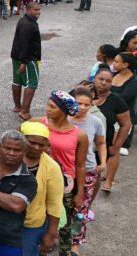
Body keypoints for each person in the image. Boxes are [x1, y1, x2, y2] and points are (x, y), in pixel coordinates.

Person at [29, 91, 88, 256]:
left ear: (64, 110)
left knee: (64, 223)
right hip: (38, 180)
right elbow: (15, 138)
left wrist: (80, 193)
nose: (47, 109)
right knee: (37, 217)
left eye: (52, 107)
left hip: (65, 185)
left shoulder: (79, 135)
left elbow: (81, 165)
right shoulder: (37, 123)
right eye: (48, 104)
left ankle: (65, 251)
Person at [68, 87, 106, 255]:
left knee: (81, 207)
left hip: (88, 169)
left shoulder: (96, 122)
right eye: (79, 103)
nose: (82, 108)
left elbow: (101, 143)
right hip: (65, 170)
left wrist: (103, 163)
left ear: (92, 105)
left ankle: (75, 242)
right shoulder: (62, 119)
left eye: (87, 105)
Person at [20, 122, 63, 256]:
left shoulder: (52, 168)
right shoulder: (11, 156)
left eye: (41, 145)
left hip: (31, 225)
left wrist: (50, 234)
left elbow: (54, 202)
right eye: (32, 142)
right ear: (22, 139)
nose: (36, 147)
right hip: (3, 221)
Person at [90, 68, 131, 193]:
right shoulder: (82, 93)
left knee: (95, 175)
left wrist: (117, 145)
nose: (104, 83)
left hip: (103, 142)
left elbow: (126, 124)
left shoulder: (116, 100)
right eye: (101, 79)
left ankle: (108, 181)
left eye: (108, 81)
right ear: (94, 78)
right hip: (82, 140)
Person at [11, 3, 42, 121]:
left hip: (16, 56)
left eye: (39, 10)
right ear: (28, 10)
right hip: (28, 59)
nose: (38, 12)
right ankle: (24, 111)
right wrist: (24, 62)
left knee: (17, 81)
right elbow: (25, 44)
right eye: (35, 10)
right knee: (32, 83)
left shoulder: (23, 20)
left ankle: (17, 106)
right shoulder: (28, 25)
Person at [110, 52, 137, 152]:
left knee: (118, 149)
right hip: (110, 114)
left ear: (125, 64)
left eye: (116, 62)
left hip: (123, 118)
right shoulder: (113, 75)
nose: (113, 64)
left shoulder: (135, 81)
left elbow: (123, 97)